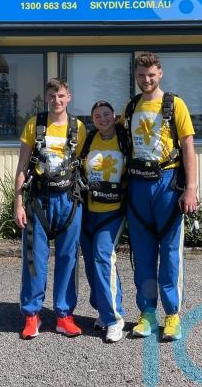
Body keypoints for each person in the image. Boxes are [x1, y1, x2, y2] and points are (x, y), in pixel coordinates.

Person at [123, 52, 197, 341]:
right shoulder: (130, 108)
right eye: (142, 75)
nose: (147, 79)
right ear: (136, 76)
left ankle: (173, 315)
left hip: (167, 183)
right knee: (142, 254)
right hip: (137, 185)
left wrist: (190, 188)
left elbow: (189, 148)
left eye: (151, 74)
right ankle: (147, 313)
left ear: (160, 73)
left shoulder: (175, 105)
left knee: (169, 253)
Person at [14, 78, 87, 339]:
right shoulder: (35, 124)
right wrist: (18, 203)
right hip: (38, 201)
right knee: (35, 260)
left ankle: (63, 315)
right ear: (47, 97)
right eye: (52, 96)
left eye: (62, 96)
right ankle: (32, 315)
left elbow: (85, 164)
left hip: (68, 200)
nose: (57, 101)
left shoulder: (79, 127)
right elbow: (23, 165)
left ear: (69, 97)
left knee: (68, 258)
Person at [78, 100, 129, 343]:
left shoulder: (123, 138)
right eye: (97, 115)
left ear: (114, 115)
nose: (102, 119)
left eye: (106, 114)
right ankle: (103, 309)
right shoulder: (89, 140)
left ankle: (114, 319)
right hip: (89, 211)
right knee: (91, 262)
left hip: (113, 211)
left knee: (103, 256)